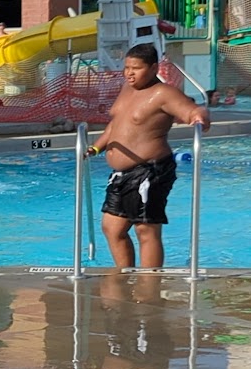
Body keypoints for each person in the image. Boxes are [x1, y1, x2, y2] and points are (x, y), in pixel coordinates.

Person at [86, 44, 209, 269]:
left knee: (145, 229)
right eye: (126, 67)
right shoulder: (127, 89)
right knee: (112, 228)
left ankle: (149, 285)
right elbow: (115, 124)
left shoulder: (164, 93)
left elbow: (191, 109)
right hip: (122, 173)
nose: (129, 73)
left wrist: (199, 117)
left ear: (153, 68)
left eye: (136, 68)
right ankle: (126, 275)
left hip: (150, 170)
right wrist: (95, 148)